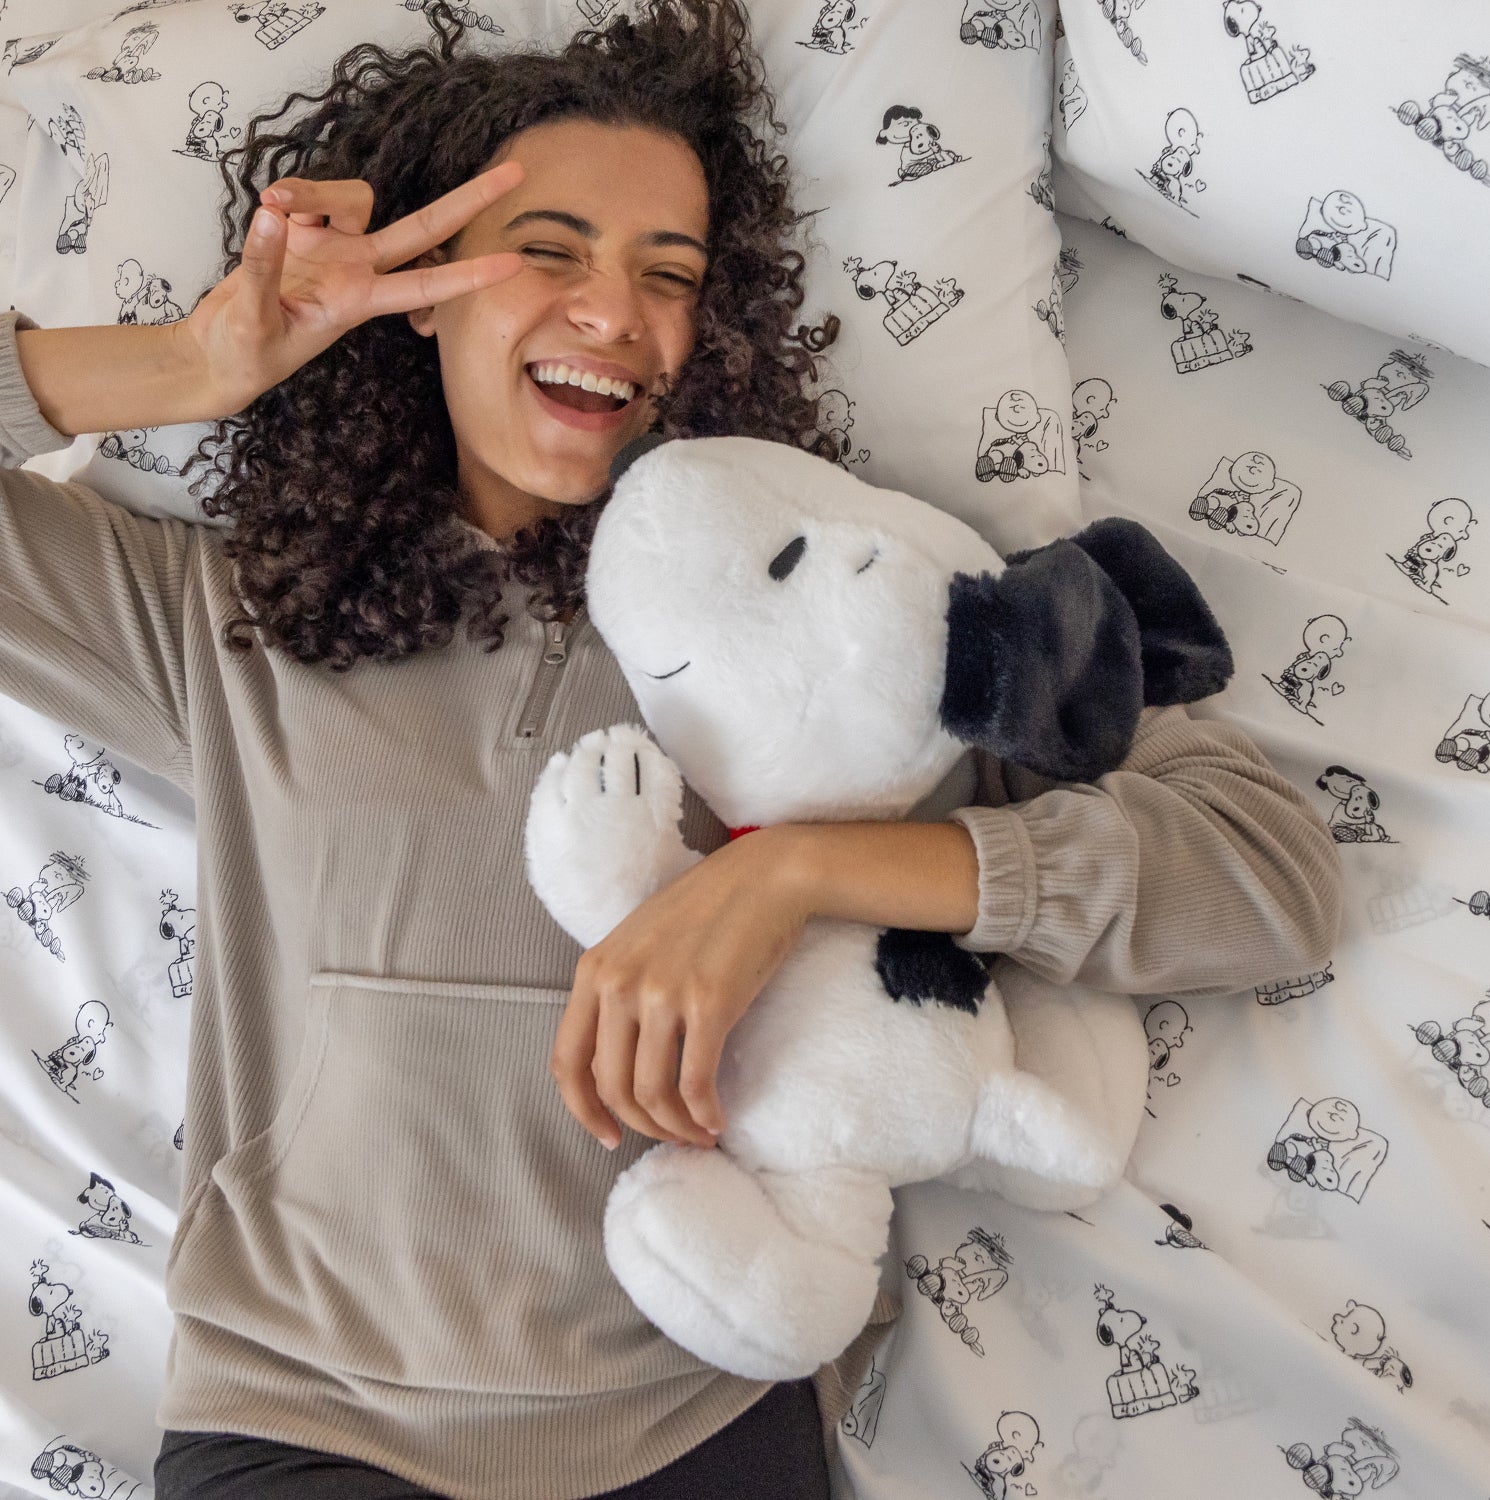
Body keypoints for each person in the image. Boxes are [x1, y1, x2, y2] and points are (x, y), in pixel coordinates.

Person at [1, 2, 1343, 1496]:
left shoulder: (836, 625)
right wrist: (195, 363)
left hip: (691, 1428)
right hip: (304, 1426)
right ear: (423, 294)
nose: (614, 313)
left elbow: (1265, 871)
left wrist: (796, 878)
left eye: (670, 276)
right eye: (550, 251)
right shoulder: (237, 614)